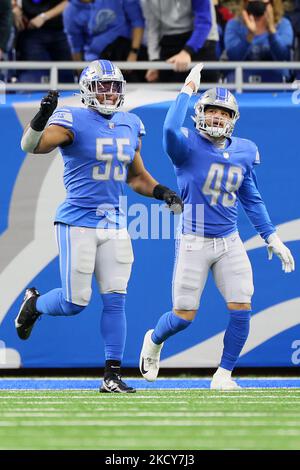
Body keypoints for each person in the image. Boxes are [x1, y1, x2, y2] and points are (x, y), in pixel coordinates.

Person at [15, 59, 182, 393]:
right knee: (74, 302)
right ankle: (34, 305)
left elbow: (136, 177)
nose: (108, 93)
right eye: (102, 86)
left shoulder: (130, 123)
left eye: (114, 87)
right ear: (87, 89)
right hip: (77, 218)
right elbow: (31, 146)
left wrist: (162, 192)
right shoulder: (72, 118)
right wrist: (39, 118)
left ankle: (112, 374)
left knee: (116, 298)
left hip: (115, 222)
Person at [139, 63, 295, 390]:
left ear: (233, 119)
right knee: (183, 316)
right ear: (199, 112)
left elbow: (251, 197)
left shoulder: (243, 150)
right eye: (211, 111)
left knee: (242, 306)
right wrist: (187, 90)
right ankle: (153, 340)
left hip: (229, 240)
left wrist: (272, 237)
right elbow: (168, 129)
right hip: (193, 240)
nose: (217, 118)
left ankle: (223, 375)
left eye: (224, 113)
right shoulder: (186, 144)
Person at [141, 0, 219, 83]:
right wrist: (154, 61)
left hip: (201, 39)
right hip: (170, 40)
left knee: (203, 89)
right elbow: (152, 27)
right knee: (168, 90)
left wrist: (187, 52)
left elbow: (204, 22)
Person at [224, 0, 294, 83]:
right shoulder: (234, 24)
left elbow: (283, 56)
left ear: (271, 4)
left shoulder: (283, 24)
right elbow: (234, 57)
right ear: (245, 2)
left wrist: (272, 31)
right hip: (240, 81)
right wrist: (249, 36)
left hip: (276, 83)